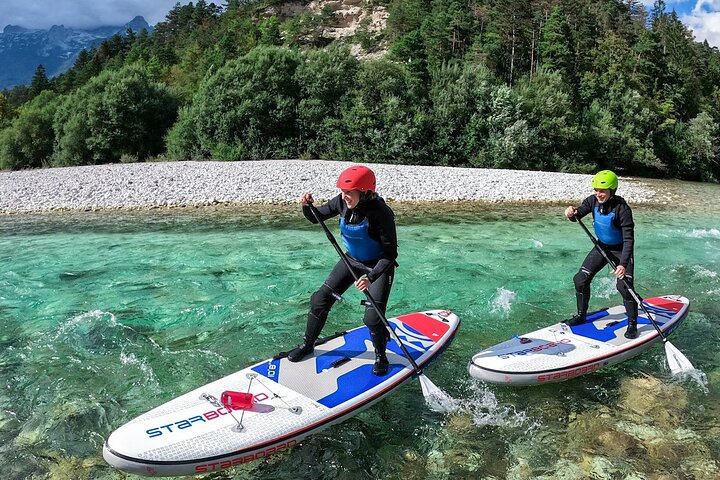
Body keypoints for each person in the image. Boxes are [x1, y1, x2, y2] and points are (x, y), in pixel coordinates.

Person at [287, 165, 398, 375]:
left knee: (372, 319)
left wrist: (371, 278)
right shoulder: (341, 202)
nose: (344, 196)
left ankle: (381, 355)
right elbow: (315, 217)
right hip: (351, 261)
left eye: (349, 192)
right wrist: (306, 206)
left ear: (365, 192)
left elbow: (390, 255)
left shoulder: (381, 213)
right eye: (343, 191)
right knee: (319, 299)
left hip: (378, 267)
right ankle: (308, 344)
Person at [563, 170, 639, 339]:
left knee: (624, 287)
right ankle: (581, 315)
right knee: (580, 279)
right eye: (596, 189)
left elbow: (629, 240)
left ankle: (633, 323)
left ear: (612, 191)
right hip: (602, 247)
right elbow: (578, 214)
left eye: (602, 191)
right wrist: (571, 213)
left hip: (621, 251)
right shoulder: (592, 201)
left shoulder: (623, 209)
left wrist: (623, 264)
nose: (598, 193)